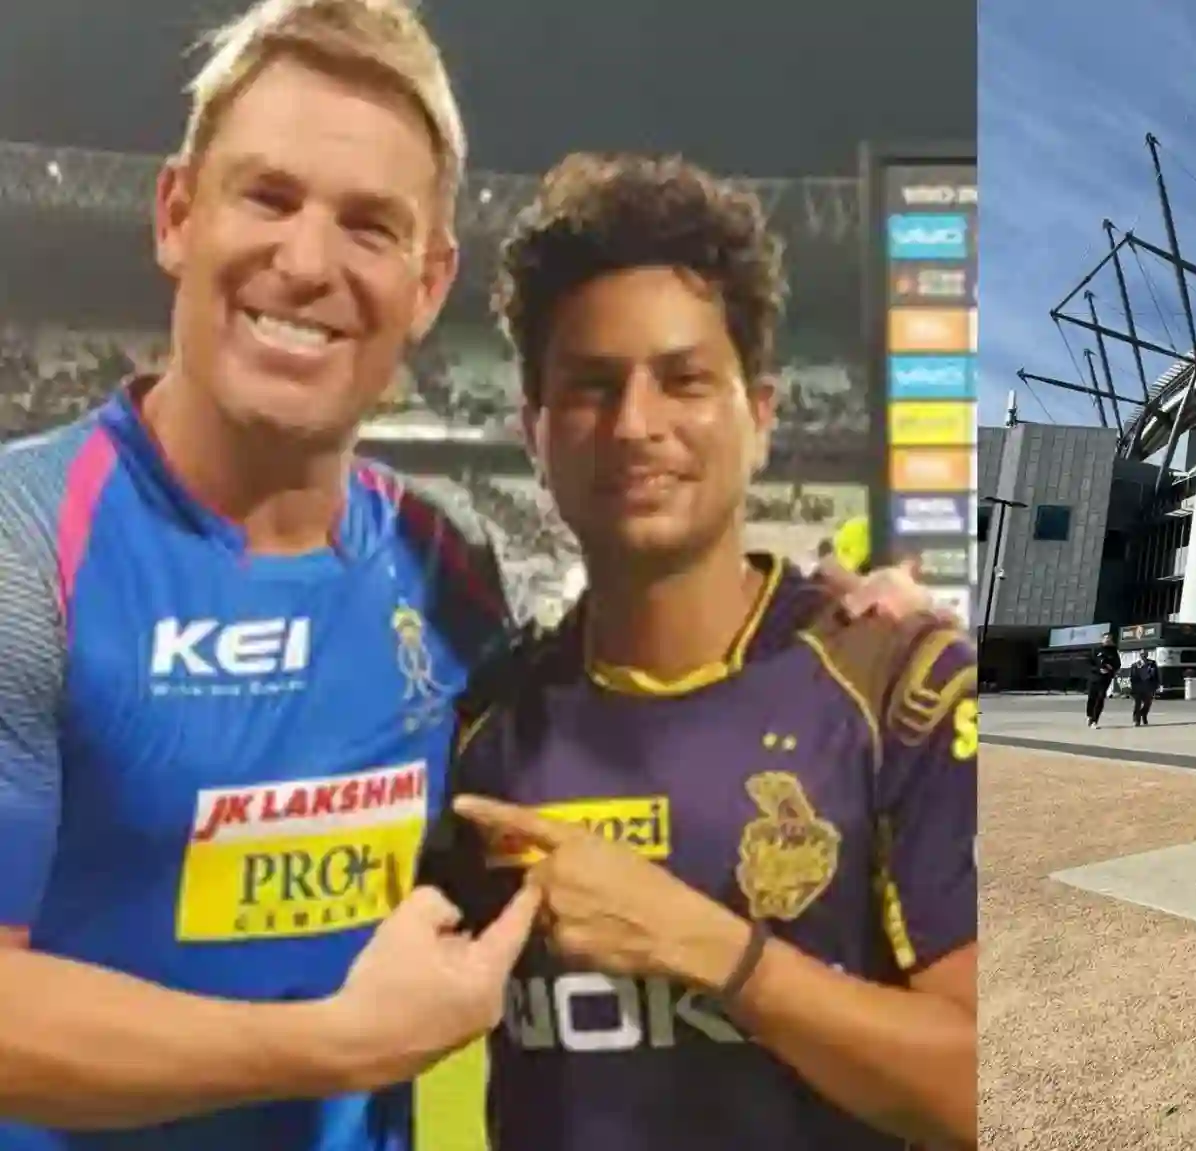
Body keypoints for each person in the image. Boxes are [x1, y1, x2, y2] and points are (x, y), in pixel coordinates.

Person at [0, 1, 937, 1144]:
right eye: (268, 196)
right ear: (176, 212)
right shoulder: (25, 546)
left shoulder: (447, 571)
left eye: (368, 223)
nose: (306, 262)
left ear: (429, 277)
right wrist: (332, 1044)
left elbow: (644, 673)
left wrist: (840, 606)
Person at [415, 153, 977, 1150]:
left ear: (759, 414)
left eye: (683, 379)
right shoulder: (480, 721)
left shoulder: (900, 686)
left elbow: (982, 1087)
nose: (636, 425)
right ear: (533, 431)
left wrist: (709, 948)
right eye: (591, 387)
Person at [1086, 633, 1118, 728]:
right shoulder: (1096, 650)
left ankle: (1095, 721)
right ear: (1102, 640)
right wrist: (1098, 669)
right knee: (1091, 698)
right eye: (1106, 638)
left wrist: (1110, 669)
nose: (1108, 640)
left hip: (1105, 679)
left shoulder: (1113, 651)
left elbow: (1117, 664)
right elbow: (1089, 663)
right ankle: (1089, 715)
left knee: (1100, 698)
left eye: (1109, 639)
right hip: (1094, 678)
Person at [1129, 651, 1160, 726]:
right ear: (1140, 655)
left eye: (1145, 654)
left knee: (1147, 704)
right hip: (1138, 687)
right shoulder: (1135, 665)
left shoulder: (1152, 663)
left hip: (1148, 687)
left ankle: (1143, 715)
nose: (1144, 655)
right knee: (1137, 704)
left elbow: (1156, 675)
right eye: (1142, 654)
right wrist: (1132, 688)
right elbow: (1132, 677)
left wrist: (1157, 685)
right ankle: (1136, 720)